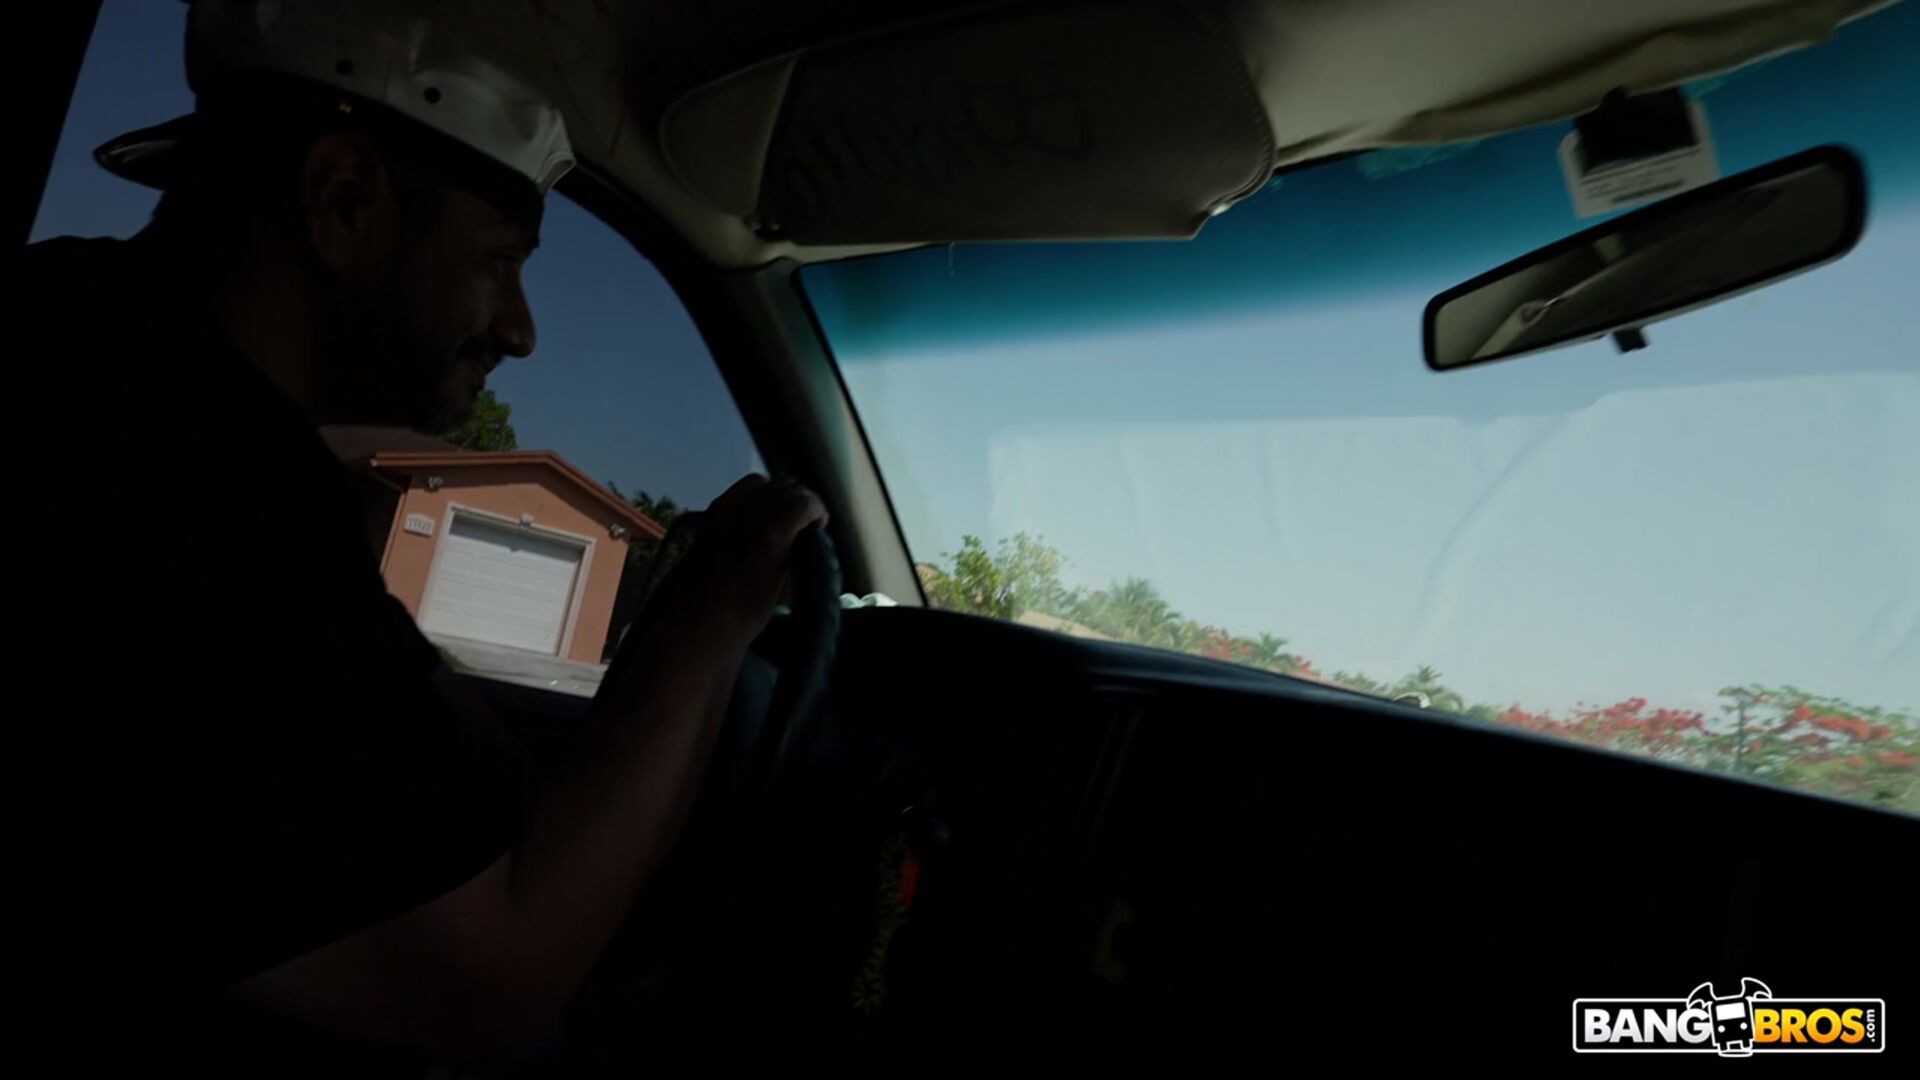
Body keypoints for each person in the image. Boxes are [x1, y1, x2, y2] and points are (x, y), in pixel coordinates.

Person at [16, 0, 825, 1068]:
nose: (521, 329)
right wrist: (711, 623)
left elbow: (437, 733)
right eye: (501, 260)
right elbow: (486, 991)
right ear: (344, 201)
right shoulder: (175, 478)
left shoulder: (147, 385)